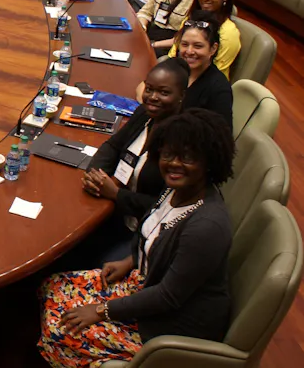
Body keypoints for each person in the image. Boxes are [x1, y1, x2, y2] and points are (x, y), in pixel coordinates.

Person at [39, 108, 234, 367]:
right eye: (167, 154)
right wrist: (131, 260)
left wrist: (101, 311)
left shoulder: (206, 226)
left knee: (59, 330)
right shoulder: (175, 190)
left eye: (187, 157)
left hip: (168, 324)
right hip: (145, 283)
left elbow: (168, 296)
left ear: (209, 162)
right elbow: (158, 236)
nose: (174, 163)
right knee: (53, 286)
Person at [79, 58, 190, 265]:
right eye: (149, 89)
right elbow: (112, 146)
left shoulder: (181, 144)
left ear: (181, 96)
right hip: (112, 211)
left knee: (81, 257)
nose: (153, 97)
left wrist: (116, 194)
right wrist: (95, 175)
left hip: (140, 235)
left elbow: (167, 206)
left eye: (164, 93)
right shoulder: (145, 114)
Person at [167, 0, 241, 79]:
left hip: (206, 85)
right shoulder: (190, 20)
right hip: (178, 75)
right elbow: (174, 53)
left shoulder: (229, 32)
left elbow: (216, 71)